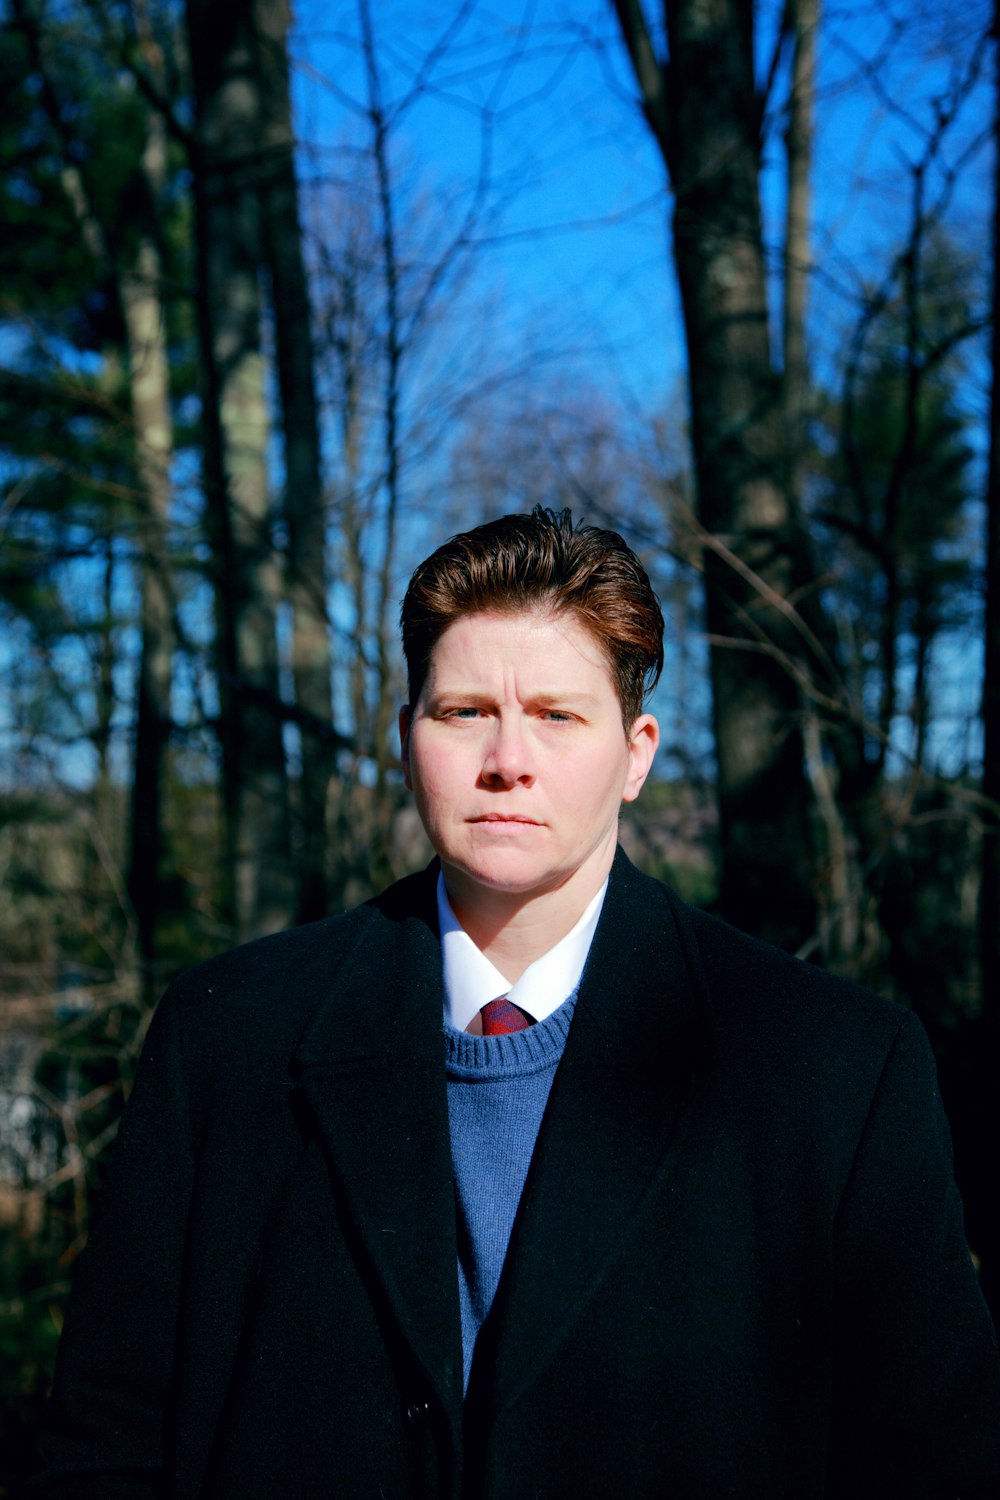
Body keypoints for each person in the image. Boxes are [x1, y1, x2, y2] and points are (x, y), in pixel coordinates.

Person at [32, 509, 1000, 1498]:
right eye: (462, 712)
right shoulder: (229, 1038)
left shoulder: (828, 1067)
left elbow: (933, 1466)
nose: (507, 759)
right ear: (407, 737)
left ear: (636, 754)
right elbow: (106, 1444)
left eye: (556, 713)